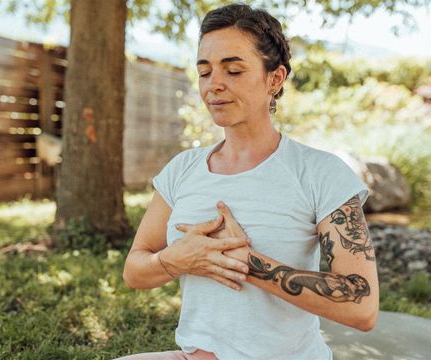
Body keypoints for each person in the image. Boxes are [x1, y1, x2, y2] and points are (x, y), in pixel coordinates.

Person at [120, 3, 379, 360]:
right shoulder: (182, 169)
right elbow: (135, 270)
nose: (215, 85)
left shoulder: (321, 173)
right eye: (205, 72)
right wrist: (175, 260)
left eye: (234, 70)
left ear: (275, 79)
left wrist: (247, 263)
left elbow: (362, 305)